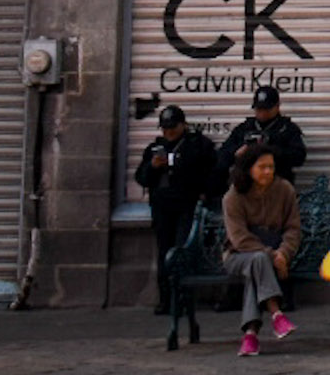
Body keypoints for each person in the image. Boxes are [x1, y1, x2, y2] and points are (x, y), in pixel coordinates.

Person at [131, 104, 220, 316]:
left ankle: (183, 297)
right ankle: (166, 299)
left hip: (186, 207)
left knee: (182, 251)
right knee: (164, 252)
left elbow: (214, 174)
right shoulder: (156, 149)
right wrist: (153, 166)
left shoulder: (197, 146)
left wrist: (203, 193)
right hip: (162, 208)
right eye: (165, 128)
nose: (168, 132)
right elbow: (141, 177)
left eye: (172, 127)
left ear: (183, 125)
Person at [220, 140, 301, 358]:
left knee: (257, 267)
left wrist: (283, 252)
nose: (267, 172)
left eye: (271, 167)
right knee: (257, 259)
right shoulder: (233, 196)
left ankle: (250, 336)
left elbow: (293, 229)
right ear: (249, 169)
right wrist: (272, 255)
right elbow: (239, 239)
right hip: (238, 256)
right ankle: (276, 314)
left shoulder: (284, 190)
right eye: (262, 167)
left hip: (272, 255)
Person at [223, 85, 309, 185]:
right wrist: (238, 153)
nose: (262, 113)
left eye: (266, 109)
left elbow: (299, 158)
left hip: (277, 185)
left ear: (277, 107)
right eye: (259, 109)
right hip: (247, 186)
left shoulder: (287, 129)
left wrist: (270, 151)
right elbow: (223, 155)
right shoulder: (244, 128)